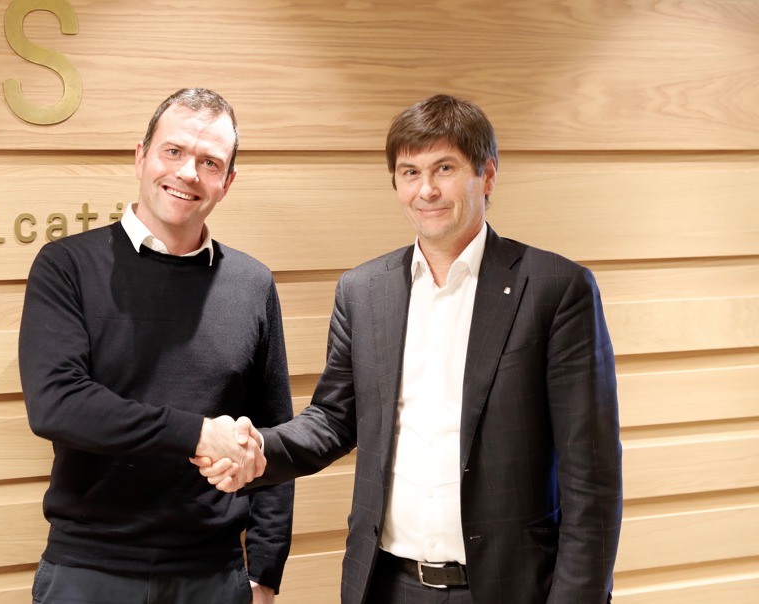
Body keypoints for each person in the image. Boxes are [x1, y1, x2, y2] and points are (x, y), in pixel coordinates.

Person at [197, 94, 622, 604]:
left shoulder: (555, 289)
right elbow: (333, 419)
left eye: (445, 168)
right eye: (409, 172)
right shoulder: (363, 291)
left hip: (508, 587)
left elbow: (591, 476)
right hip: (387, 585)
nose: (426, 190)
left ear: (487, 175)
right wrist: (260, 451)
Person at [19, 87, 294, 604]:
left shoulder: (252, 284)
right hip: (88, 571)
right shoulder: (67, 266)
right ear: (141, 157)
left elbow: (272, 435)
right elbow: (57, 404)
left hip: (213, 575)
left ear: (227, 182)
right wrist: (197, 435)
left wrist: (264, 571)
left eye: (209, 162)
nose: (188, 172)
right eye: (174, 151)